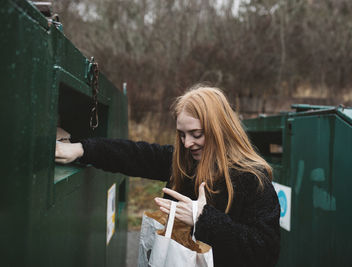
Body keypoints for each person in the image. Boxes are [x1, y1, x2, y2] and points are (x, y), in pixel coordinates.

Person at [55, 84, 281, 266]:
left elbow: (265, 251)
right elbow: (134, 154)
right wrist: (82, 149)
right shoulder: (185, 164)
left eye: (196, 134)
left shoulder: (252, 179)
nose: (188, 143)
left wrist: (203, 219)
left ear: (220, 130)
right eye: (182, 135)